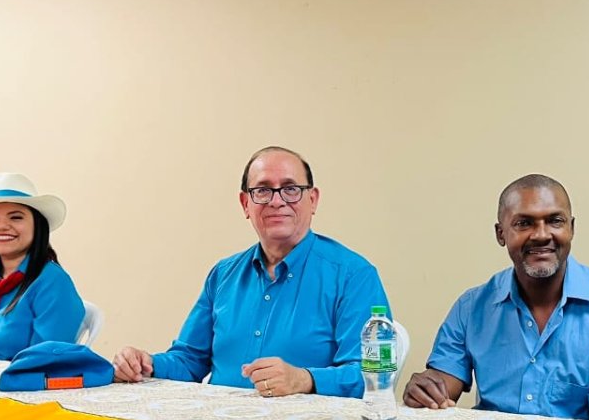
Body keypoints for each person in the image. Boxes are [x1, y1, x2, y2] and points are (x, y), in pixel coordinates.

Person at [113, 146, 390, 398]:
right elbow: (189, 361)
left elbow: (373, 376)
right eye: (263, 190)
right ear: (246, 204)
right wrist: (145, 364)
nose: (277, 201)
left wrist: (304, 379)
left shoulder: (354, 276)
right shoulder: (223, 275)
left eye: (291, 188)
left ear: (313, 200)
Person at [403, 174, 589, 420]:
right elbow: (440, 391)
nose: (541, 235)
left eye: (555, 221)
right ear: (501, 234)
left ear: (571, 229)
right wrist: (426, 391)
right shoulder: (471, 308)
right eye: (524, 223)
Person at [0, 172, 84, 360]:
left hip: (16, 386)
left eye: (15, 217)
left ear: (38, 226)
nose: (2, 226)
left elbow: (45, 358)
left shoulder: (53, 282)